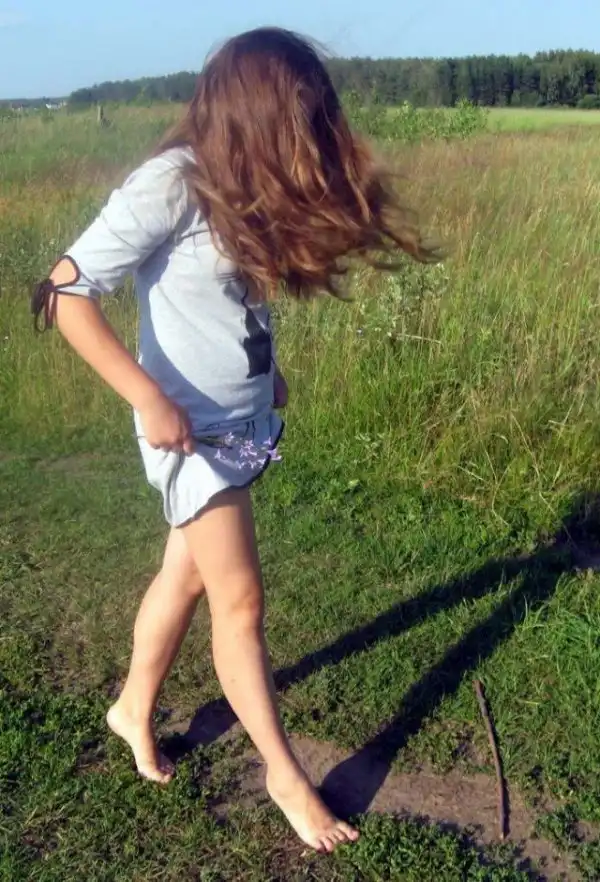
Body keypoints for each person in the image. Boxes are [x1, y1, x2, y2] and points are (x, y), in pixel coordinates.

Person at [32, 27, 435, 853]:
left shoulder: (242, 183)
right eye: (296, 115)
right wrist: (145, 397)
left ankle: (131, 708)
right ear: (251, 109)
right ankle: (286, 778)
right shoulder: (172, 182)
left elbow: (233, 301)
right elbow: (65, 295)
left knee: (185, 576)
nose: (307, 132)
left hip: (241, 422)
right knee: (240, 601)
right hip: (191, 437)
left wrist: (269, 369)